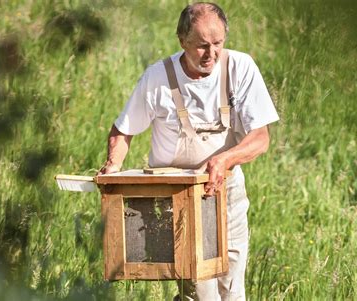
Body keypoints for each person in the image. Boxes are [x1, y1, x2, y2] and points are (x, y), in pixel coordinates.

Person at [98, 2, 279, 300]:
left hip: (225, 193)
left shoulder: (239, 67)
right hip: (176, 199)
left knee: (233, 290)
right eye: (201, 46)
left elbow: (260, 137)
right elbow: (124, 129)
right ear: (182, 40)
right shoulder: (158, 77)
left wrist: (225, 159)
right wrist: (113, 165)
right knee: (201, 292)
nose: (211, 54)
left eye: (218, 43)